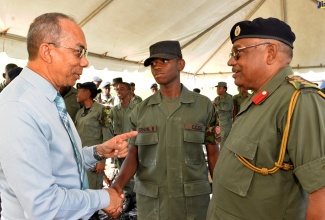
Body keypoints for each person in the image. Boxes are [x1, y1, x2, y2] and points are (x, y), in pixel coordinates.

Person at [0, 12, 137, 219]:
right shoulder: (19, 107)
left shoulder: (49, 98)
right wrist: (105, 197)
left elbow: (59, 161)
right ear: (47, 51)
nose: (85, 62)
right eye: (78, 52)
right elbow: (43, 205)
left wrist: (98, 151)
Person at [207, 17, 325, 220]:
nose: (230, 61)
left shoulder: (300, 100)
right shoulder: (257, 99)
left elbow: (321, 199)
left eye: (238, 52)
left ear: (270, 53)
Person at [112, 40, 219, 219]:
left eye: (165, 61)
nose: (157, 67)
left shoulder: (203, 106)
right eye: (153, 63)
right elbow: (133, 155)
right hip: (153, 202)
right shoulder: (141, 110)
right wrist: (117, 187)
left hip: (192, 202)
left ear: (181, 64)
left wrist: (222, 192)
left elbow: (214, 153)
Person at [75, 82, 114, 220]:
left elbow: (108, 136)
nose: (76, 94)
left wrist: (102, 160)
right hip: (80, 159)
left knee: (93, 196)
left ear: (87, 93)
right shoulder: (79, 113)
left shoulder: (104, 110)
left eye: (79, 91)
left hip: (95, 160)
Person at [110, 82, 136, 213]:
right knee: (123, 174)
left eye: (122, 89)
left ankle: (138, 197)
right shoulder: (115, 110)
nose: (119, 91)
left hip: (135, 148)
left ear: (130, 91)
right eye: (117, 89)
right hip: (121, 148)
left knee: (138, 174)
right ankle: (129, 197)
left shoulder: (137, 108)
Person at [213, 81, 233, 149]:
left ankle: (223, 157)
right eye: (217, 88)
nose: (217, 90)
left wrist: (217, 103)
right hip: (219, 122)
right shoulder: (217, 98)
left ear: (224, 89)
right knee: (219, 141)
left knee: (224, 142)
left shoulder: (228, 98)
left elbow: (227, 108)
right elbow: (216, 110)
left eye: (219, 88)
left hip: (226, 123)